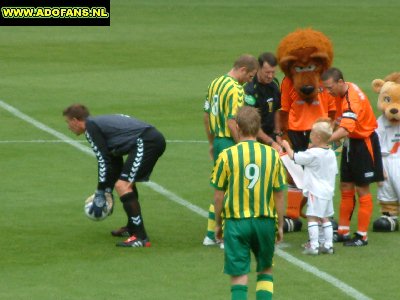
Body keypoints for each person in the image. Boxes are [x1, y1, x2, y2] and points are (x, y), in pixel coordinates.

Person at [63, 104, 166, 247]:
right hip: (148, 140)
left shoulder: (91, 128)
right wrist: (107, 190)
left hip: (147, 142)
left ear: (75, 120)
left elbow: (103, 160)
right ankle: (132, 227)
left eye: (68, 122)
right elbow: (113, 161)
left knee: (123, 185)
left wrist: (100, 192)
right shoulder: (97, 124)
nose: (68, 127)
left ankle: (141, 237)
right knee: (124, 183)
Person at [211, 106, 286, 300]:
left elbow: (218, 196)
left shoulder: (227, 155)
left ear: (237, 126)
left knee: (238, 275)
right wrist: (279, 225)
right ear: (258, 127)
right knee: (265, 270)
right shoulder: (272, 155)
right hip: (265, 221)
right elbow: (279, 194)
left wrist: (218, 223)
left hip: (236, 223)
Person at [322, 67, 384, 246]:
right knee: (345, 186)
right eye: (325, 88)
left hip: (364, 144)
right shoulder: (342, 92)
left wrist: (324, 141)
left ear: (340, 82)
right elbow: (341, 123)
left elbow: (345, 129)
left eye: (330, 87)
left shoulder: (351, 99)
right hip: (352, 143)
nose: (328, 91)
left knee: (362, 189)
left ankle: (362, 236)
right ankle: (343, 231)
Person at [203, 54, 258, 247]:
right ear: (243, 70)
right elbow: (232, 121)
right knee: (232, 191)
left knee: (220, 188)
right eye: (250, 76)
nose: (249, 80)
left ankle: (211, 234)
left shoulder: (215, 82)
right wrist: (242, 144)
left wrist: (211, 142)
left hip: (218, 141)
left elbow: (206, 115)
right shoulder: (236, 89)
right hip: (229, 142)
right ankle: (224, 235)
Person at [281, 119, 338, 255]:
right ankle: (328, 245)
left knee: (312, 217)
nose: (310, 134)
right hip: (328, 191)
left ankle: (314, 245)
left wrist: (286, 146)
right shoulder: (331, 153)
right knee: (325, 218)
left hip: (315, 190)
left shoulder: (313, 154)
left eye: (312, 132)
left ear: (318, 137)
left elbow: (294, 157)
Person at [244, 52, 282, 152]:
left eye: (273, 72)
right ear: (258, 69)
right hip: (255, 138)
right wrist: (270, 142)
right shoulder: (250, 89)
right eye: (267, 72)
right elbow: (251, 123)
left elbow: (277, 109)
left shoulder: (274, 84)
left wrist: (278, 133)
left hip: (271, 136)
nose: (270, 76)